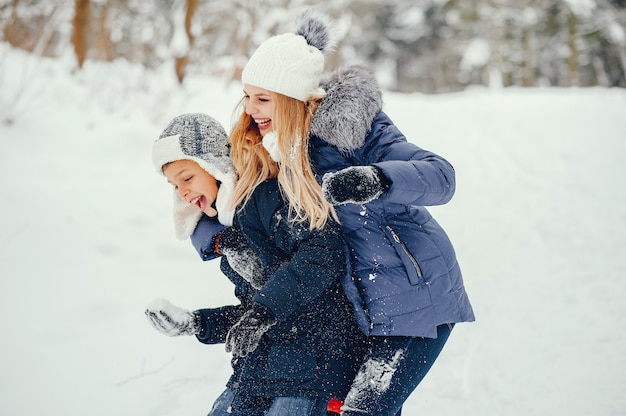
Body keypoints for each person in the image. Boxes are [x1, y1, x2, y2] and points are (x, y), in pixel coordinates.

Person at [192, 10, 475, 416]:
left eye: (263, 98)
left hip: (413, 300)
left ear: (293, 97)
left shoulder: (356, 132)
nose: (251, 109)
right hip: (353, 311)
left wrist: (377, 179)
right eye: (247, 95)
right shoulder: (272, 145)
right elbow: (219, 195)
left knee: (366, 410)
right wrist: (211, 238)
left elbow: (441, 175)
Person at [145, 112, 368, 416]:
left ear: (215, 166)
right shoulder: (230, 234)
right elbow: (253, 312)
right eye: (174, 186)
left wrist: (264, 312)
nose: (182, 191)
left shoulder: (265, 198)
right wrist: (198, 323)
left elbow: (323, 251)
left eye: (187, 178)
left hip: (316, 367)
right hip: (261, 372)